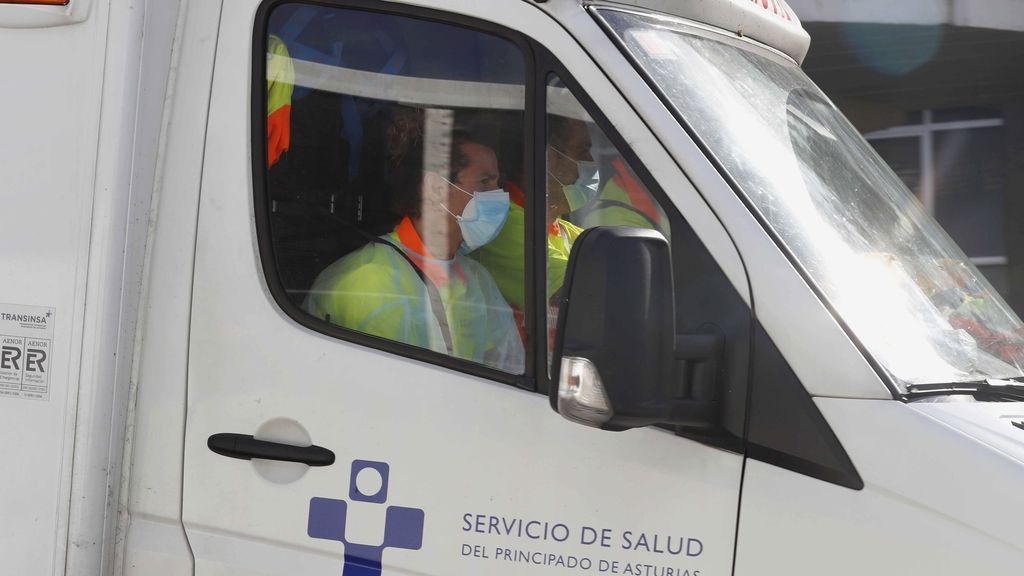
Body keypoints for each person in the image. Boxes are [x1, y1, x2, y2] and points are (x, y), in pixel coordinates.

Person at [304, 113, 524, 374]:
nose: (499, 197)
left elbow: (507, 369)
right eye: (484, 182)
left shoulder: (478, 280)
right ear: (436, 189)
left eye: (497, 182)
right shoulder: (367, 282)